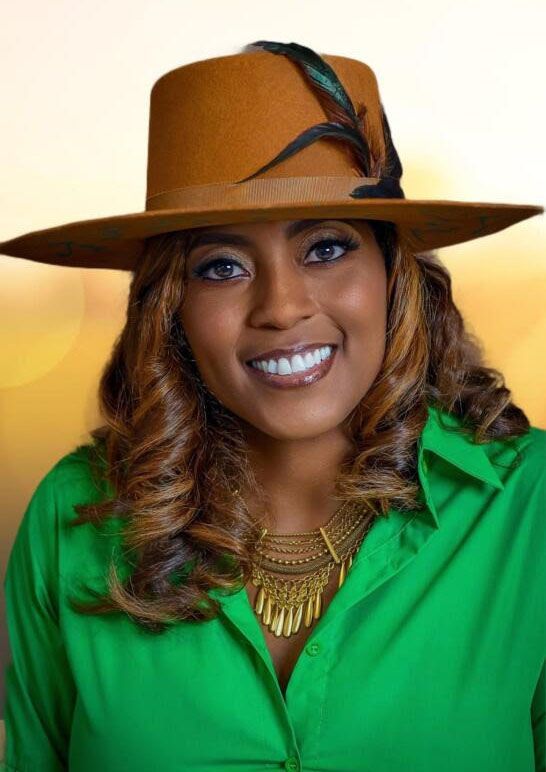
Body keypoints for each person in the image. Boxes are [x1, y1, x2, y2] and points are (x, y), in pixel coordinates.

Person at [0, 40, 544, 772]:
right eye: (222, 267)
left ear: (393, 274)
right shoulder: (73, 521)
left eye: (325, 248)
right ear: (173, 308)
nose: (281, 308)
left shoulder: (529, 511)